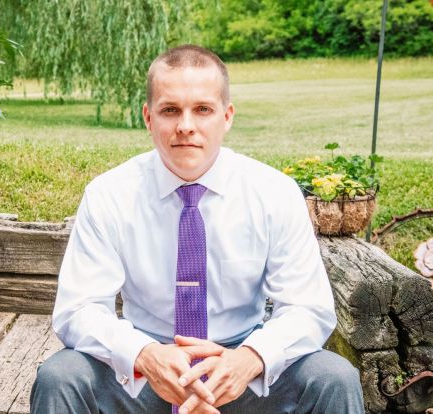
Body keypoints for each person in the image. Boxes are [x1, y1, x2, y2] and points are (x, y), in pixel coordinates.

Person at [30, 44, 365, 414]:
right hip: (147, 375)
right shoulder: (109, 195)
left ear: (227, 116)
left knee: (334, 378)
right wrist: (144, 354)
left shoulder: (274, 193)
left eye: (202, 109)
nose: (185, 126)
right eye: (170, 110)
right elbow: (78, 309)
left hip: (242, 373)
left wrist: (250, 358)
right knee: (60, 376)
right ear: (148, 117)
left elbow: (308, 307)